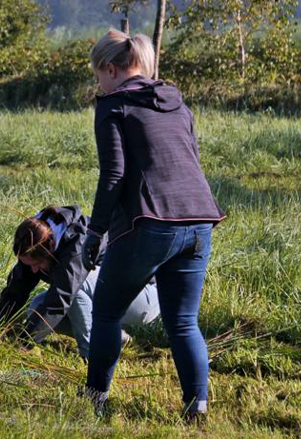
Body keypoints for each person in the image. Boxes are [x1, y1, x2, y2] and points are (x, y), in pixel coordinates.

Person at [79, 29, 225, 420]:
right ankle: (197, 407)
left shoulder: (114, 105)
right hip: (200, 220)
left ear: (110, 69)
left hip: (153, 222)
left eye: (98, 75)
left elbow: (113, 174)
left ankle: (95, 399)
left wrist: (95, 233)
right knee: (183, 321)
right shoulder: (177, 102)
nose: (99, 83)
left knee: (106, 312)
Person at [0, 206, 160, 359]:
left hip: (143, 294)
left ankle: (94, 358)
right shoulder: (34, 242)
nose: (34, 270)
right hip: (109, 292)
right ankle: (113, 337)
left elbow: (61, 298)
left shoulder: (77, 243)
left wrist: (23, 343)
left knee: (75, 289)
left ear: (51, 245)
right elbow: (16, 290)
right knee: (36, 308)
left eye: (37, 265)